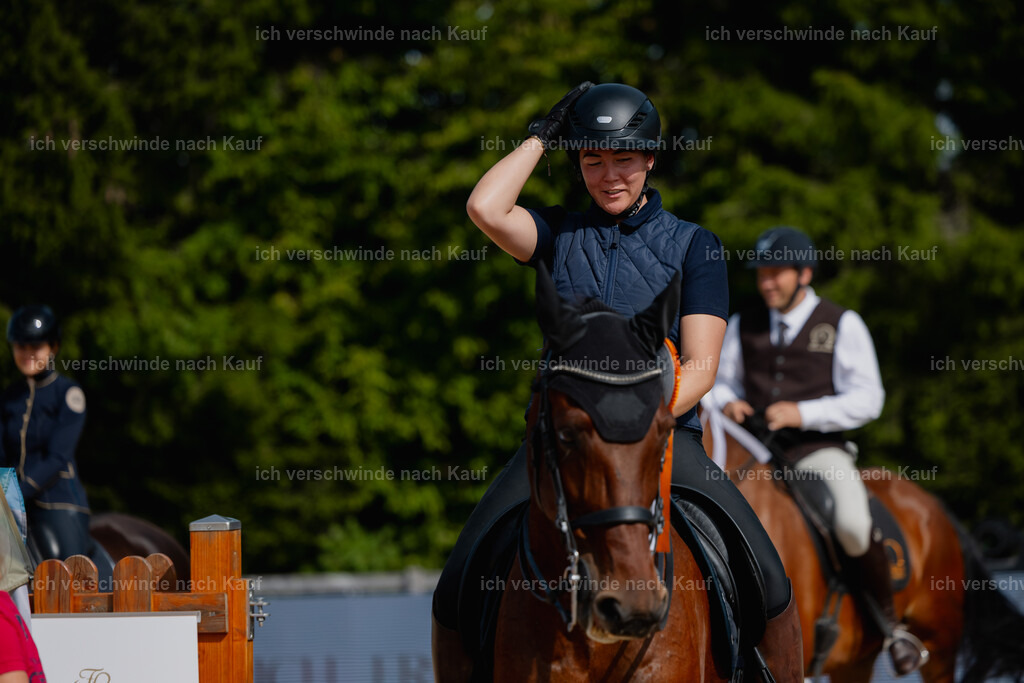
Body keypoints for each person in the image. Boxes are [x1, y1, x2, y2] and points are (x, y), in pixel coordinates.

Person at [432, 82, 802, 681]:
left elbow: (702, 369)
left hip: (662, 440)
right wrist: (540, 137)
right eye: (592, 160)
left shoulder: (694, 246)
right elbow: (485, 209)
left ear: (650, 159)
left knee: (768, 576)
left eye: (624, 159)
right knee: (456, 584)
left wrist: (638, 424)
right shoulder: (556, 236)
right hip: (565, 448)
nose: (609, 176)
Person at [709, 226, 927, 675]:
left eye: (776, 274)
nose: (767, 283)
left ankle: (890, 627)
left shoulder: (841, 323)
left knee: (850, 521)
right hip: (753, 450)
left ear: (804, 273)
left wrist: (802, 414)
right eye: (762, 275)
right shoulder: (741, 325)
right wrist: (727, 399)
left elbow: (869, 398)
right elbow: (717, 382)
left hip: (816, 451)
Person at [1, 305, 109, 577]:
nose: (27, 353)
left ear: (53, 347)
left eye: (35, 346)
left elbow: (57, 456)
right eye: (20, 346)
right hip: (10, 500)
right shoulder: (8, 397)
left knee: (67, 574)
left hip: (57, 501)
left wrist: (18, 493)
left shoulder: (68, 394)